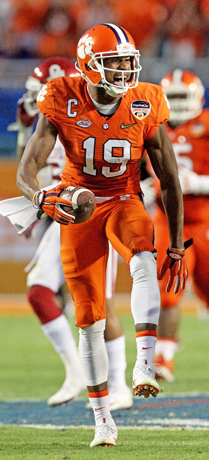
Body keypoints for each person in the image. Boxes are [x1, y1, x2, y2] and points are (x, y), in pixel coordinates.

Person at [17, 23, 189, 448]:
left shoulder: (145, 100)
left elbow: (169, 178)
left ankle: (144, 365)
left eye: (128, 65)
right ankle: (102, 420)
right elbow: (27, 168)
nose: (124, 74)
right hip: (79, 208)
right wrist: (40, 196)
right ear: (89, 67)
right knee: (89, 319)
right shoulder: (61, 97)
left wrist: (176, 244)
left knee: (145, 257)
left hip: (124, 199)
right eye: (114, 65)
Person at [15, 56, 132, 410]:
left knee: (99, 305)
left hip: (92, 213)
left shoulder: (96, 119)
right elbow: (29, 163)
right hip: (59, 214)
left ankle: (119, 384)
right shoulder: (48, 120)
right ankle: (80, 372)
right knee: (47, 295)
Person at [152, 69, 209, 382]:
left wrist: (199, 182)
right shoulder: (152, 126)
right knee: (169, 290)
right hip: (168, 221)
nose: (176, 103)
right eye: (171, 97)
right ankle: (164, 358)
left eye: (181, 97)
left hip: (204, 220)